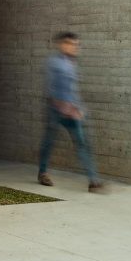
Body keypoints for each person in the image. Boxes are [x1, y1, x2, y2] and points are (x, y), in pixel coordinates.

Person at [37, 31, 105, 192]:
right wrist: (66, 108)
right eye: (70, 44)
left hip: (72, 112)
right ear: (62, 45)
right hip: (55, 111)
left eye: (76, 44)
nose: (74, 47)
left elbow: (73, 90)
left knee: (82, 143)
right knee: (49, 142)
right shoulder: (53, 63)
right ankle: (42, 172)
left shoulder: (73, 63)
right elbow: (51, 88)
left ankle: (93, 181)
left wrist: (79, 108)